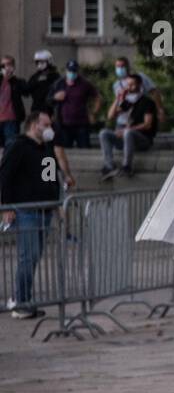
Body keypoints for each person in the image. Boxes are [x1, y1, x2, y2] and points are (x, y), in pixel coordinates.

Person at [1, 109, 75, 319]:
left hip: (44, 210)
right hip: (26, 211)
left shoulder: (46, 148)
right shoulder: (18, 146)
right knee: (28, 257)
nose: (50, 129)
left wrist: (56, 203)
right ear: (35, 125)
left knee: (33, 258)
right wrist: (6, 207)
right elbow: (5, 176)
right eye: (46, 124)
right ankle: (20, 301)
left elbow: (50, 177)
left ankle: (24, 298)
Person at [99, 73, 157, 178]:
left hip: (143, 141)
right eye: (127, 85)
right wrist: (118, 98)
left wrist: (127, 130)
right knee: (104, 133)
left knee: (127, 132)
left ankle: (127, 167)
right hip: (127, 140)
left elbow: (147, 125)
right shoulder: (128, 102)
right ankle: (109, 166)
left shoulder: (147, 102)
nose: (129, 87)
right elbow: (110, 116)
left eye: (132, 85)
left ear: (140, 85)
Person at [50, 60, 100, 148]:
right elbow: (48, 100)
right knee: (65, 150)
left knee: (85, 150)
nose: (72, 73)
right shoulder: (59, 84)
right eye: (70, 71)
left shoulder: (85, 84)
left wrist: (93, 113)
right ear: (66, 71)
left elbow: (97, 97)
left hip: (82, 124)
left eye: (74, 71)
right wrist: (55, 97)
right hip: (64, 125)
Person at [110, 57, 165, 131]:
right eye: (118, 67)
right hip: (122, 121)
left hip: (139, 120)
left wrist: (160, 110)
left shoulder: (140, 77)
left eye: (122, 66)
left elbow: (154, 92)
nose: (120, 69)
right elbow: (116, 109)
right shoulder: (116, 85)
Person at [0, 55, 28, 148]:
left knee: (11, 147)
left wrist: (10, 78)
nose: (6, 67)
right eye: (3, 65)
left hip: (11, 120)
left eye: (9, 64)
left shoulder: (17, 82)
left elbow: (26, 92)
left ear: (13, 66)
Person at [26, 51, 61, 116]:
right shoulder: (35, 76)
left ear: (49, 62)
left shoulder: (55, 76)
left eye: (42, 62)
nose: (39, 64)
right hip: (36, 109)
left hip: (50, 109)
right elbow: (27, 89)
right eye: (37, 62)